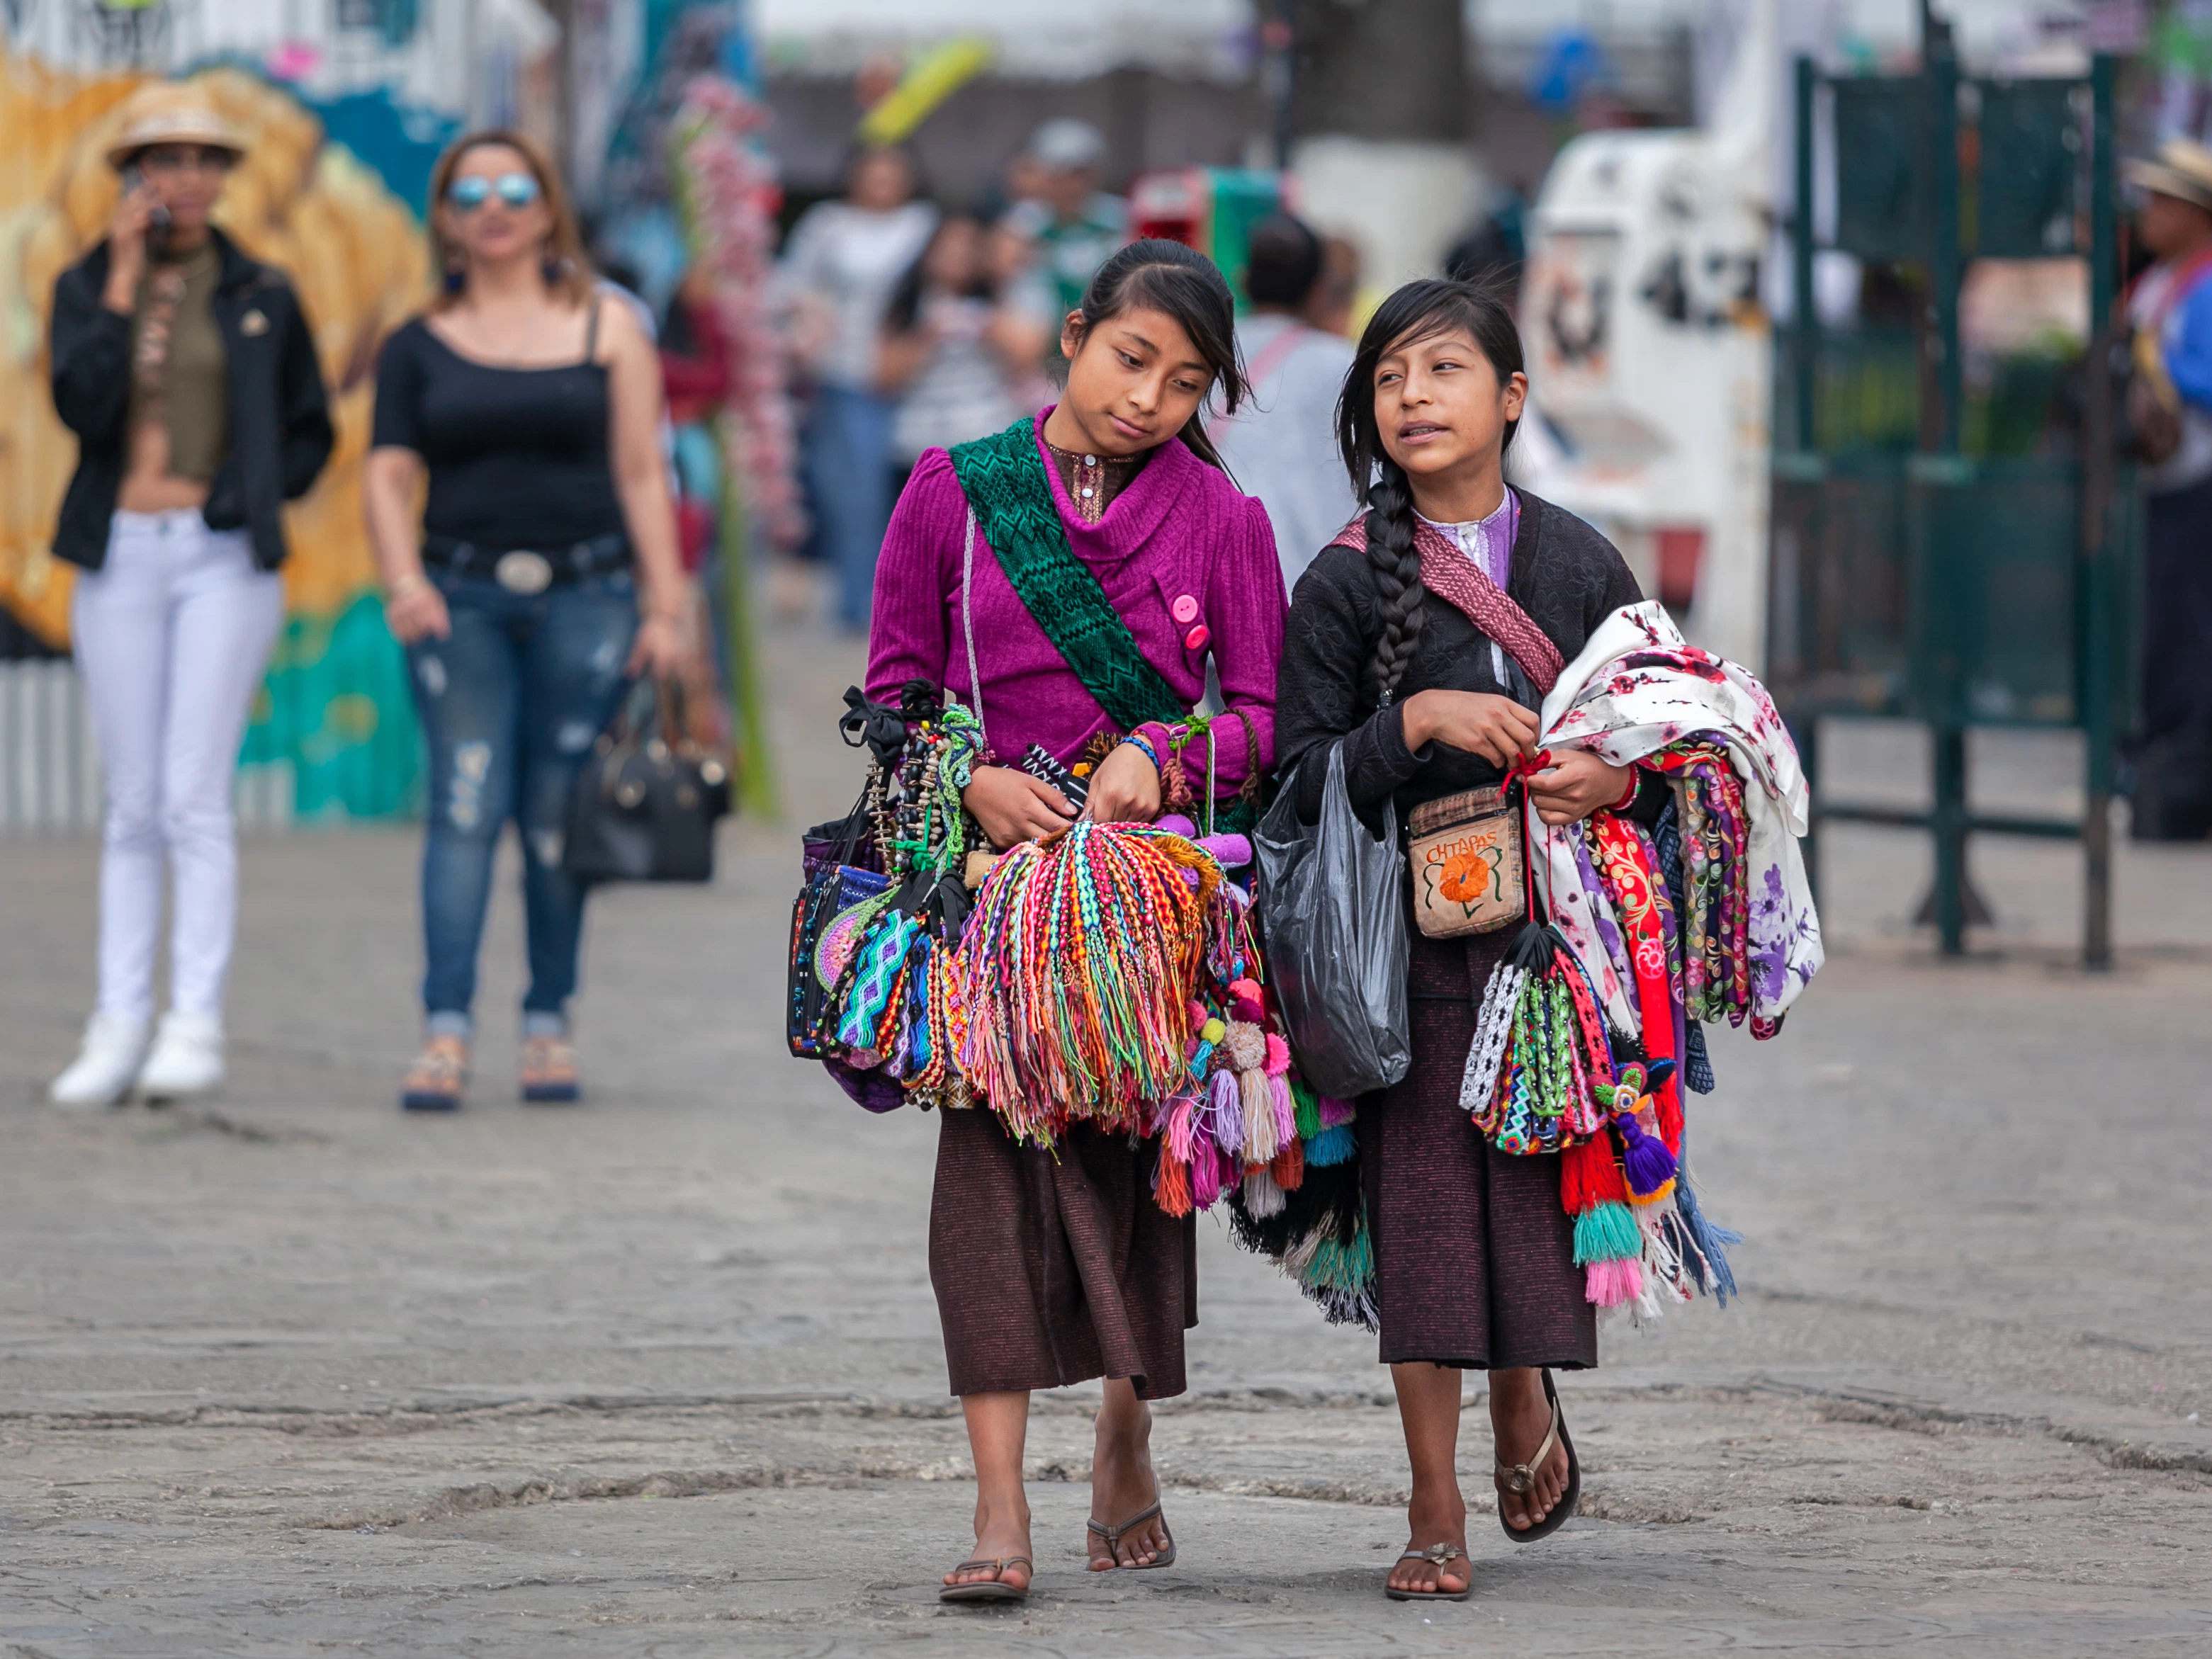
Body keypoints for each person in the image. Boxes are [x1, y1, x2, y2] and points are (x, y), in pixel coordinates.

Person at [866, 240, 1284, 1601]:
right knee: (982, 1185)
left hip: (1144, 908)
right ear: (1070, 335)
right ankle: (999, 1507)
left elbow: (1266, 720)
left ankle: (1123, 1427)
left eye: (1184, 379)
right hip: (990, 905)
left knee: (1135, 1178)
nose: (1147, 395)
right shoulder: (954, 491)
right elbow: (892, 694)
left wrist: (1167, 754)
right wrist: (969, 778)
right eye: (1128, 356)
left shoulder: (1226, 523)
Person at [1274, 278, 1664, 1596]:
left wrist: (1615, 786)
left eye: (1442, 371)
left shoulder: (1581, 562)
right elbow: (1296, 777)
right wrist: (1418, 722)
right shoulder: (1337, 581)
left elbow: (1666, 746)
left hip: (1553, 956)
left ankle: (1525, 1391)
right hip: (1407, 959)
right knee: (1428, 1222)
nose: (1411, 398)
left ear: (1510, 395)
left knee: (1540, 1202)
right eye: (1388, 377)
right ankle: (1431, 1495)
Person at [364, 130, 689, 1112]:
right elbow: (385, 472)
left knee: (554, 816)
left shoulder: (607, 330)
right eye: (473, 192)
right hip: (456, 598)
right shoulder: (415, 340)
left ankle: (548, 1017)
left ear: (547, 207)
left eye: (515, 188)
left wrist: (665, 605)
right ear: (448, 216)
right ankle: (445, 1027)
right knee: (464, 807)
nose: (495, 206)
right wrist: (401, 580)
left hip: (588, 598)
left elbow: (642, 471)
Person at [45, 81, 334, 1109]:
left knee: (191, 794)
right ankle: (117, 1019)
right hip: (119, 546)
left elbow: (311, 427)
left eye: (203, 159)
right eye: (163, 158)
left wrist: (252, 493)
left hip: (218, 558)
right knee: (128, 800)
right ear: (132, 176)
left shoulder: (262, 289)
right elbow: (80, 403)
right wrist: (123, 277)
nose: (185, 177)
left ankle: (193, 1020)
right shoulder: (87, 283)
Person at [780, 145, 937, 631]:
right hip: (847, 375)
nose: (882, 183)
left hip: (922, 378)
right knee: (853, 493)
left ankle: (923, 606)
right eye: (873, 173)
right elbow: (791, 286)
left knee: (922, 497)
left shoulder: (925, 225)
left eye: (893, 173)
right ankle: (862, 602)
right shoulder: (828, 225)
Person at [2121, 137, 2212, 840]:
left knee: (2185, 632)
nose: (2147, 213)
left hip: (2195, 485)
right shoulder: (2157, 282)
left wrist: (2164, 372)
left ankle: (2179, 778)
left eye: (2161, 200)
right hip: (2154, 483)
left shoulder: (2201, 285)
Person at [1209, 215, 1359, 591]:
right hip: (1314, 595)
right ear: (1319, 290)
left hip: (1206, 592)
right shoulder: (1346, 366)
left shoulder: (1198, 354)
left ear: (1242, 281)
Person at [876, 210, 1050, 488]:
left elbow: (1028, 356)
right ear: (928, 252)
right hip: (918, 447)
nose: (957, 256)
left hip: (988, 446)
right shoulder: (909, 303)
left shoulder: (1001, 297)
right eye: (947, 246)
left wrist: (987, 325)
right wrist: (927, 335)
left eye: (969, 247)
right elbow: (882, 378)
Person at [1001, 119, 1128, 322]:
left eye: (1075, 173)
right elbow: (1003, 271)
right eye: (1057, 175)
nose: (1067, 184)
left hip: (1106, 314)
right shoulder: (1024, 220)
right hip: (1044, 321)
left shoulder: (1121, 216)